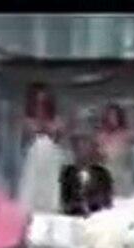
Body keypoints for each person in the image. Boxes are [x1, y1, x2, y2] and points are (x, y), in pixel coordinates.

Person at [17, 83, 69, 216]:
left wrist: (50, 129)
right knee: (31, 191)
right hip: (34, 160)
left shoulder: (57, 120)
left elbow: (60, 138)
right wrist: (40, 127)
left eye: (44, 101)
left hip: (52, 160)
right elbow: (25, 141)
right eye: (37, 101)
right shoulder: (27, 121)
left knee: (53, 192)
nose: (40, 105)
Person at [58, 134, 114, 217]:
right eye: (78, 148)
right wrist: (79, 206)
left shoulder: (102, 173)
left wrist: (91, 205)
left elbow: (107, 201)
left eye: (85, 147)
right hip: (73, 216)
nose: (81, 151)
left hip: (98, 216)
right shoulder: (67, 172)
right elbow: (65, 202)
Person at [95, 102, 134, 198]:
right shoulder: (102, 135)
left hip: (124, 171)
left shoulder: (126, 133)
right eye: (110, 116)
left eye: (115, 115)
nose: (113, 118)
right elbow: (99, 155)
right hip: (109, 171)